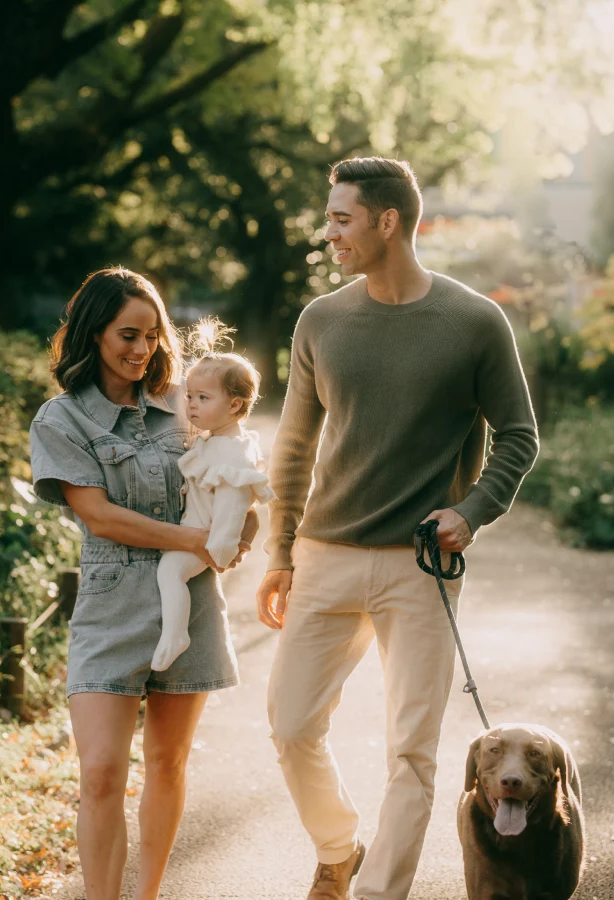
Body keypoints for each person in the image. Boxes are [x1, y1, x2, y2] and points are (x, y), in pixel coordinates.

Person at [257, 158, 540, 900]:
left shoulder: (475, 321)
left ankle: (380, 893)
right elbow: (293, 445)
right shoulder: (321, 321)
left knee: (411, 753)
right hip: (324, 555)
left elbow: (519, 435)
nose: (328, 234)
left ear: (388, 221)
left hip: (421, 570)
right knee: (291, 724)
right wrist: (280, 551)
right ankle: (339, 846)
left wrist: (472, 511)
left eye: (340, 218)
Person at [29, 268, 254, 900]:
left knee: (167, 763)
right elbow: (99, 516)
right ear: (93, 333)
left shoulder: (187, 403)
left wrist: (243, 527)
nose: (142, 349)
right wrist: (196, 541)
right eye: (128, 334)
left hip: (191, 601)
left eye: (152, 336)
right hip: (112, 601)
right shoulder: (62, 419)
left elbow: (232, 463)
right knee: (101, 771)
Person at [154, 331, 273, 671]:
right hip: (195, 530)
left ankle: (176, 634)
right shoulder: (216, 439)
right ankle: (173, 632)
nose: (191, 404)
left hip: (204, 537)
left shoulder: (232, 452)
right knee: (169, 571)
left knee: (170, 571)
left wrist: (220, 550)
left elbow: (233, 507)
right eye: (190, 396)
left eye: (203, 398)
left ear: (234, 405)